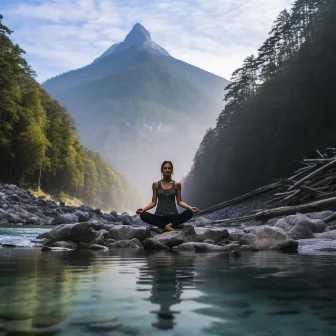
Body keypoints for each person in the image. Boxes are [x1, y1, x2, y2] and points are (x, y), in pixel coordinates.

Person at [136, 160, 198, 232]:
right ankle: (169, 228)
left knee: (189, 212)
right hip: (159, 216)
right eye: (165, 168)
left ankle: (165, 227)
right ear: (162, 170)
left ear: (172, 170)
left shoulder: (177, 184)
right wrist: (144, 209)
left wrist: (190, 207)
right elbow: (153, 202)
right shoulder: (156, 184)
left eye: (169, 168)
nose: (167, 170)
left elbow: (180, 201)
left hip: (173, 217)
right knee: (143, 215)